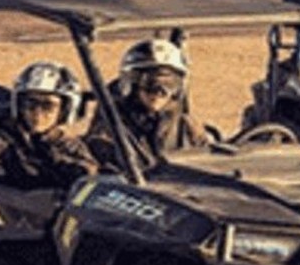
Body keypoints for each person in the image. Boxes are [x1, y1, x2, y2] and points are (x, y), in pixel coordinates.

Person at [0, 61, 98, 190]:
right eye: (31, 103)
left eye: (48, 106)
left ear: (64, 110)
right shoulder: (1, 141)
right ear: (19, 105)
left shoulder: (69, 146)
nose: (37, 112)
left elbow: (89, 178)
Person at [88, 38, 210, 169]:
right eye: (150, 83)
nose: (158, 93)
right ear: (131, 85)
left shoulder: (187, 128)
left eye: (168, 84)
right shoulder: (109, 130)